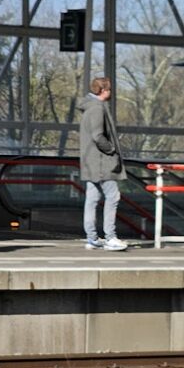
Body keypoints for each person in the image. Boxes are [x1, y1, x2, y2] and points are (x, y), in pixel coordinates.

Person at [78, 77, 128, 252]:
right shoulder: (97, 108)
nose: (111, 92)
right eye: (109, 89)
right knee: (113, 196)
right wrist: (112, 149)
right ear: (103, 90)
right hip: (101, 162)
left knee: (92, 199)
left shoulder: (89, 107)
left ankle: (92, 238)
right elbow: (98, 136)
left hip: (91, 162)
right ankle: (110, 237)